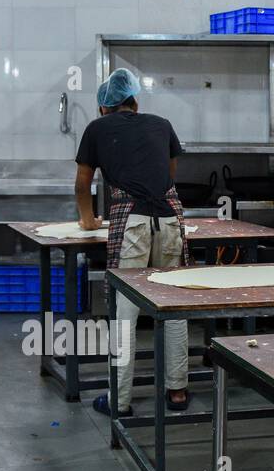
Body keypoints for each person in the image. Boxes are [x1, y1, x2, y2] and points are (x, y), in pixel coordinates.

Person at [75, 67, 191, 416]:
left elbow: (83, 184)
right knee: (173, 306)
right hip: (170, 219)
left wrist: (88, 220)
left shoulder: (96, 129)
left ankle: (119, 400)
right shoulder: (162, 124)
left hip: (132, 225)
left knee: (125, 314)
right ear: (135, 102)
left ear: (102, 108)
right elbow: (168, 176)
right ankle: (178, 392)